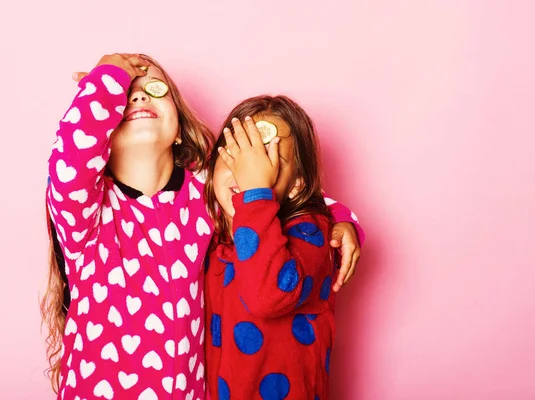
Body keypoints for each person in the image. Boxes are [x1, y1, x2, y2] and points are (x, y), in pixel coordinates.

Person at [42, 54, 364, 399]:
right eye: (125, 94)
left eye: (153, 88)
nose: (137, 96)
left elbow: (270, 190)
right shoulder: (84, 212)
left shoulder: (201, 193)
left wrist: (341, 219)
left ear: (179, 129)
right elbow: (70, 158)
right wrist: (107, 80)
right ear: (102, 131)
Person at [205, 95, 341, 399]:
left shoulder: (311, 232)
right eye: (235, 152)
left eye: (266, 157)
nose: (246, 169)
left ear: (296, 186)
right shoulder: (213, 236)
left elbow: (266, 296)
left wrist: (255, 191)